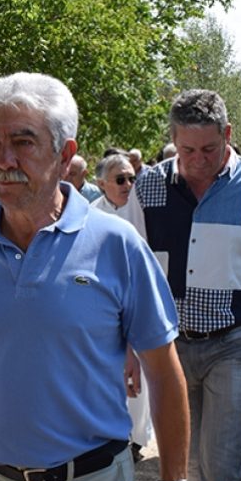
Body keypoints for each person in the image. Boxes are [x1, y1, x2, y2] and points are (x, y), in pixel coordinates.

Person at [0, 73, 190, 481]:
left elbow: (163, 371)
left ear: (64, 154)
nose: (3, 160)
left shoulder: (117, 245)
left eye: (23, 143)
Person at [121, 89, 241, 481]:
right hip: (169, 350)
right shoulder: (148, 187)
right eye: (187, 149)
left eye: (209, 148)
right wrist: (129, 348)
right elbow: (131, 275)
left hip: (235, 345)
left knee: (220, 473)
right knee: (184, 469)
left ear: (228, 134)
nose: (198, 160)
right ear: (173, 138)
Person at [90, 151, 153, 462]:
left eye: (132, 177)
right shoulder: (90, 215)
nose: (128, 184)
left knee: (141, 374)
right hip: (106, 304)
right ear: (102, 184)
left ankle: (137, 439)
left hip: (142, 301)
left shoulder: (146, 207)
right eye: (120, 179)